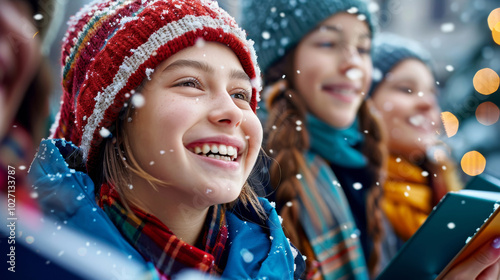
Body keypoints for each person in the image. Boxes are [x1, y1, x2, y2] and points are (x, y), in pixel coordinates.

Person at [27, 0, 304, 279]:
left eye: (240, 94)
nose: (232, 112)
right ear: (115, 120)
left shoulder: (279, 265)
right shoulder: (34, 256)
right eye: (189, 83)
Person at [241, 0, 500, 279]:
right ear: (279, 60)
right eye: (328, 43)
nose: (353, 63)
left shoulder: (358, 167)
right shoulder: (250, 170)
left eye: (363, 49)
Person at [369, 34, 463, 242]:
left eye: (432, 92)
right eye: (406, 89)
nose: (428, 102)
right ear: (363, 103)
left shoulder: (448, 193)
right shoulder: (349, 196)